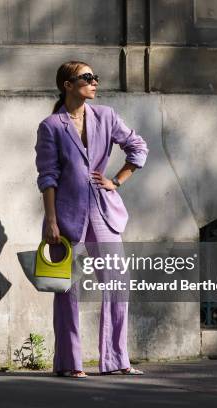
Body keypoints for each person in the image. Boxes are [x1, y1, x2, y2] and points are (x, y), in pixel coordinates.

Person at [34, 60, 149, 378]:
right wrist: (51, 220)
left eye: (95, 77)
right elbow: (48, 177)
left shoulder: (107, 116)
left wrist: (118, 179)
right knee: (67, 289)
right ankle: (69, 363)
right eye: (87, 78)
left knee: (118, 284)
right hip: (66, 215)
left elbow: (137, 147)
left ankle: (116, 359)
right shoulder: (51, 126)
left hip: (103, 210)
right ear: (67, 85)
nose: (95, 82)